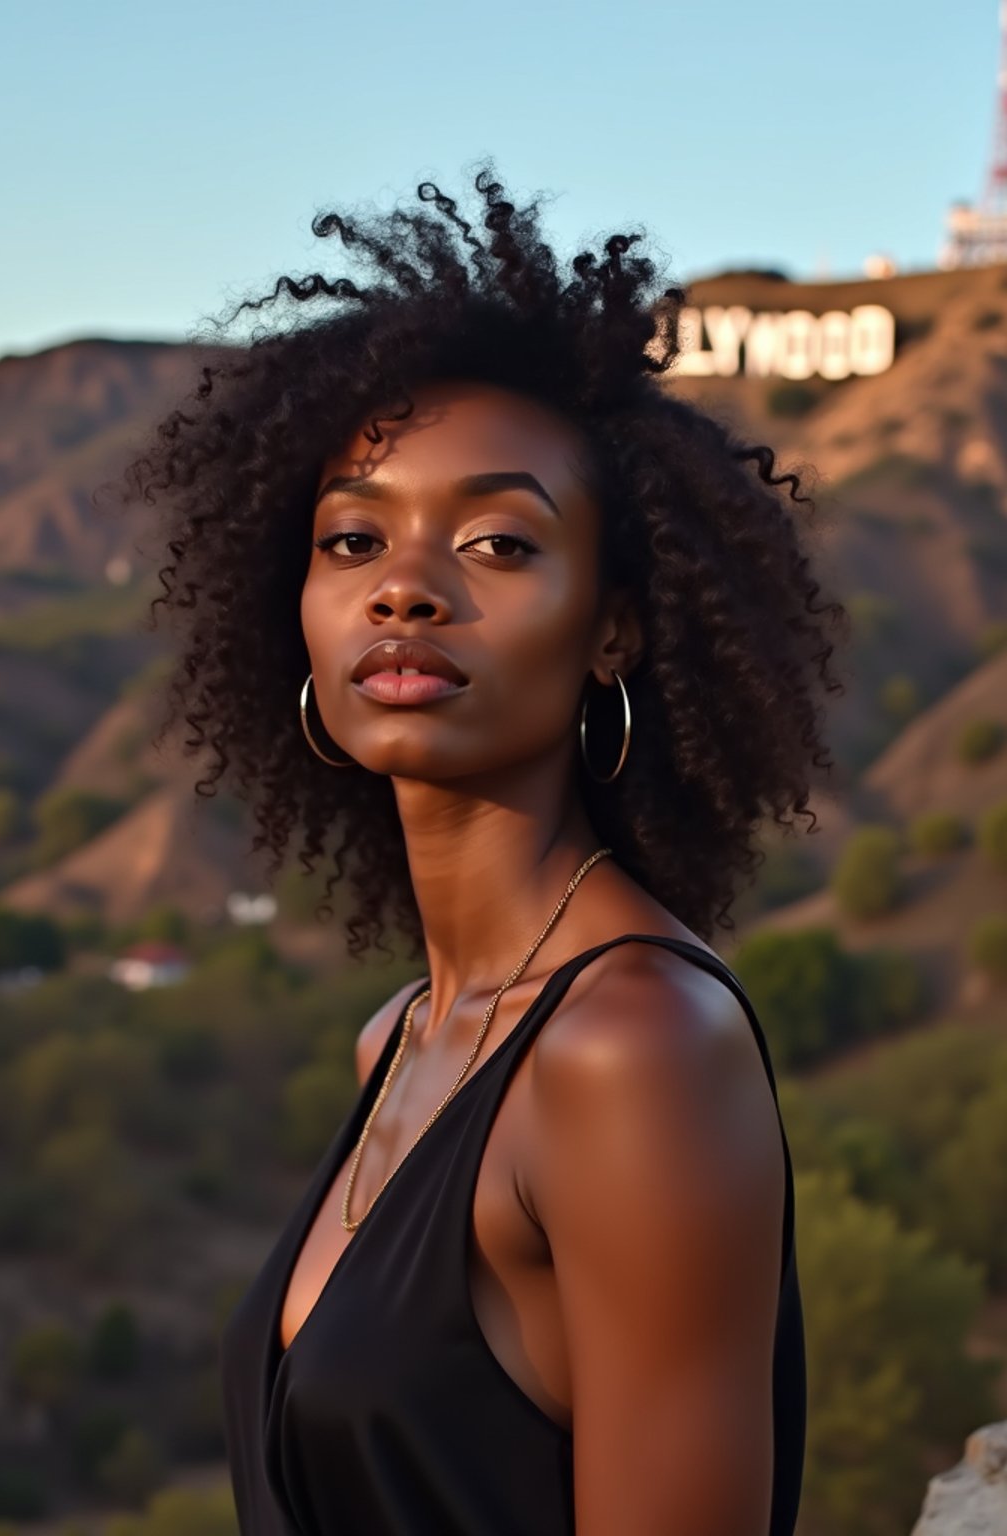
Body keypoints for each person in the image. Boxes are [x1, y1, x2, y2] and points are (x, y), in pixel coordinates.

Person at [122, 164, 847, 1535]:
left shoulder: (633, 1048)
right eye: (355, 539)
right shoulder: (399, 1040)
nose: (407, 584)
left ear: (615, 630)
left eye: (500, 542)